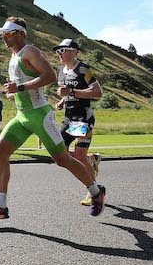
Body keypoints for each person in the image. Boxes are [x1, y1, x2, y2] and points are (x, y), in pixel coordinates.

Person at [0, 17, 106, 219]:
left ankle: (96, 192)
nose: (4, 37)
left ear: (21, 33)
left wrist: (19, 87)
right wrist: (14, 93)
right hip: (22, 116)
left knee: (63, 159)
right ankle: (0, 206)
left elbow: (49, 77)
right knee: (0, 153)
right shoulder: (13, 57)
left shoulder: (30, 51)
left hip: (40, 115)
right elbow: (25, 83)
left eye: (8, 33)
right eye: (3, 34)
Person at [54, 38, 103, 206]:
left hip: (83, 118)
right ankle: (92, 161)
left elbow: (97, 92)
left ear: (74, 51)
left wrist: (72, 92)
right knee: (60, 155)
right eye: (58, 51)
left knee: (79, 156)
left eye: (63, 50)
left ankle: (93, 191)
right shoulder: (61, 70)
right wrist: (62, 101)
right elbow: (66, 93)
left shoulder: (83, 69)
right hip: (68, 118)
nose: (59, 53)